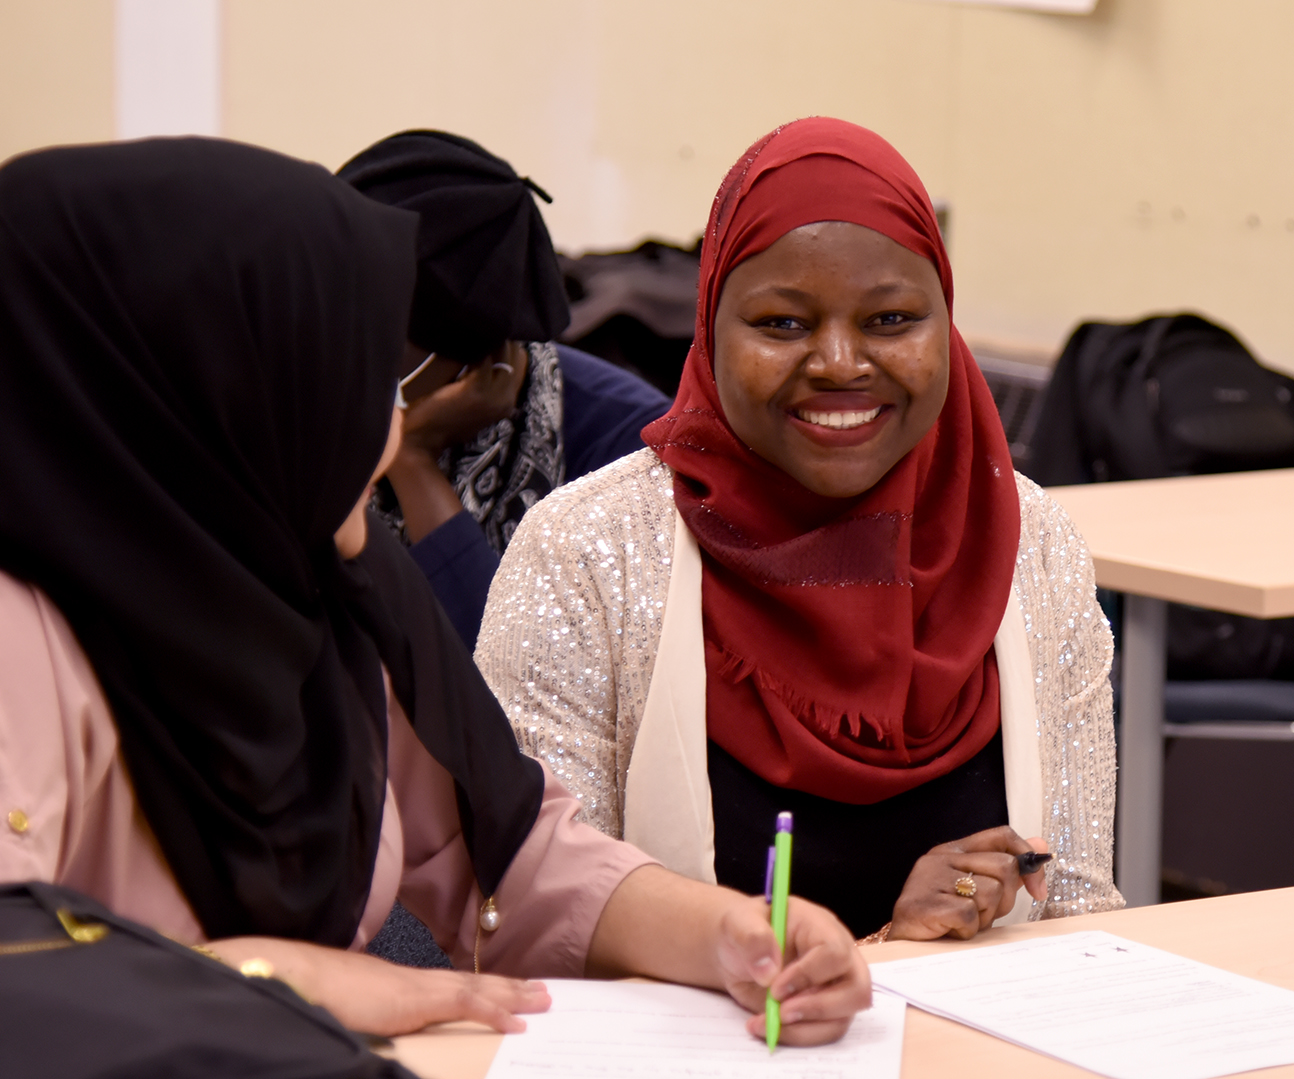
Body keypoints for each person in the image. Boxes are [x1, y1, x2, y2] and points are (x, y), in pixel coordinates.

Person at [0, 137, 868, 1042]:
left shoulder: (329, 581)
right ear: (200, 391)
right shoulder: (21, 626)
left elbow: (506, 852)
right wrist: (278, 978)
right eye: (340, 378)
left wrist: (723, 933)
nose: (390, 430)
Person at [477, 118, 1124, 943]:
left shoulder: (1029, 544)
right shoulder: (587, 553)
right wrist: (885, 951)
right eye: (782, 324)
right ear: (710, 329)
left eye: (891, 320)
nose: (841, 362)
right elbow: (530, 925)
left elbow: (1077, 910)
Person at [336, 131, 672, 649]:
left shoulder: (625, 450)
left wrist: (413, 465)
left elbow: (504, 680)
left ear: (474, 360)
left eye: (378, 332)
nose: (342, 347)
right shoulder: (311, 395)